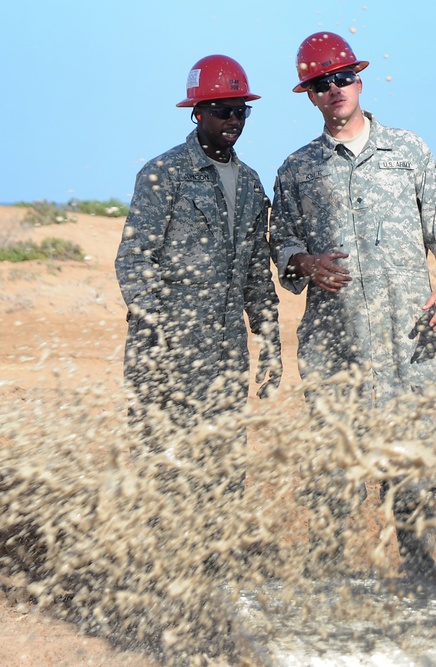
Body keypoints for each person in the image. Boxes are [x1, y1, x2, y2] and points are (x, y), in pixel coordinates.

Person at [269, 32, 436, 574]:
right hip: (337, 348)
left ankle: (420, 567)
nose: (333, 89)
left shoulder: (408, 152)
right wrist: (305, 262)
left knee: (414, 457)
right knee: (335, 461)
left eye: (341, 78)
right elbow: (281, 243)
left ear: (359, 81)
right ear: (309, 95)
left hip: (411, 338)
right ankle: (328, 571)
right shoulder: (297, 169)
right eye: (320, 84)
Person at [115, 55, 281, 493]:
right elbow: (134, 259)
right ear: (197, 112)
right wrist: (158, 331)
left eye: (240, 110)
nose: (233, 120)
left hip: (226, 362)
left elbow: (256, 275)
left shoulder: (250, 183)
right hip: (164, 361)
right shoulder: (163, 175)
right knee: (165, 486)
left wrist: (270, 341)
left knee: (223, 485)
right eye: (221, 110)